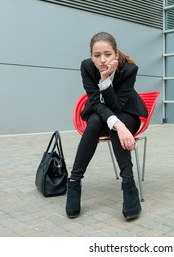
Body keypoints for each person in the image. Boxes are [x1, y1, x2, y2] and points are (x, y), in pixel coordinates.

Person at [66, 31, 148, 220]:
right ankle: (74, 182)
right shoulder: (86, 67)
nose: (102, 60)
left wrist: (105, 81)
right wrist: (118, 126)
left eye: (107, 54)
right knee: (95, 120)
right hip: (109, 120)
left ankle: (128, 184)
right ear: (91, 56)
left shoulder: (129, 70)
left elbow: (118, 106)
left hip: (128, 115)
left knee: (103, 121)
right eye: (97, 55)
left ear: (116, 54)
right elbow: (94, 103)